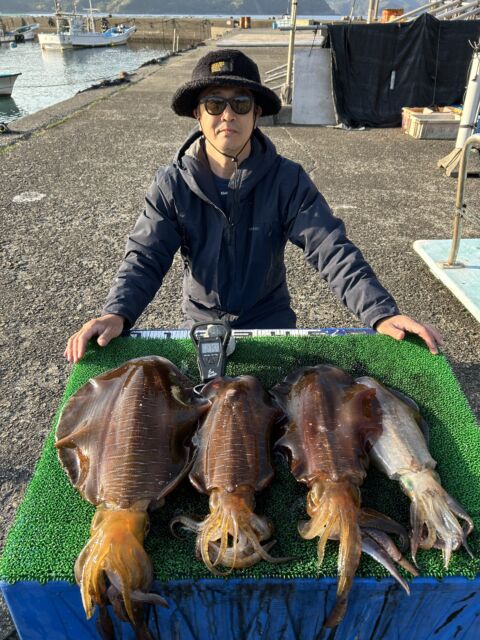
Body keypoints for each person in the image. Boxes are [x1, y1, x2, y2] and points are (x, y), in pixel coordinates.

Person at [64, 49, 443, 364]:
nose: (227, 114)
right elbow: (145, 256)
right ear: (198, 114)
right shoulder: (171, 185)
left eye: (241, 103)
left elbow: (331, 249)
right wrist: (117, 312)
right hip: (201, 323)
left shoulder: (287, 179)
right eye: (214, 103)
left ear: (257, 113)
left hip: (270, 320)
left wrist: (381, 313)